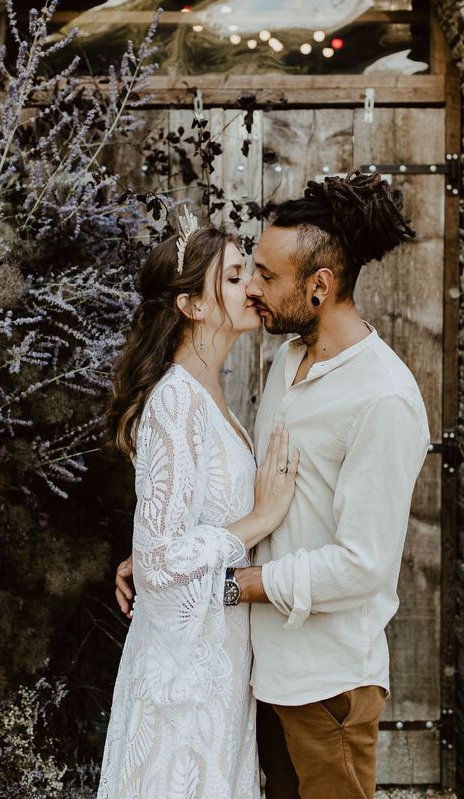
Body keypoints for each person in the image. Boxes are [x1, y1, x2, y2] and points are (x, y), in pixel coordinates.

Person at [116, 170, 430, 799]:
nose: (254, 288)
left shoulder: (384, 398)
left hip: (326, 685)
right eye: (244, 272)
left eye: (264, 275)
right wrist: (163, 554)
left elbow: (363, 566)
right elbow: (249, 501)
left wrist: (231, 586)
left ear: (319, 287)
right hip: (259, 677)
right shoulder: (287, 363)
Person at [96, 216, 299, 799]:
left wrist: (158, 554)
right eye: (235, 278)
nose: (253, 289)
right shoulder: (175, 401)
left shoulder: (212, 395)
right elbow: (159, 563)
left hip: (218, 664)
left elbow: (167, 543)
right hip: (184, 681)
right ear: (191, 305)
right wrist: (259, 519)